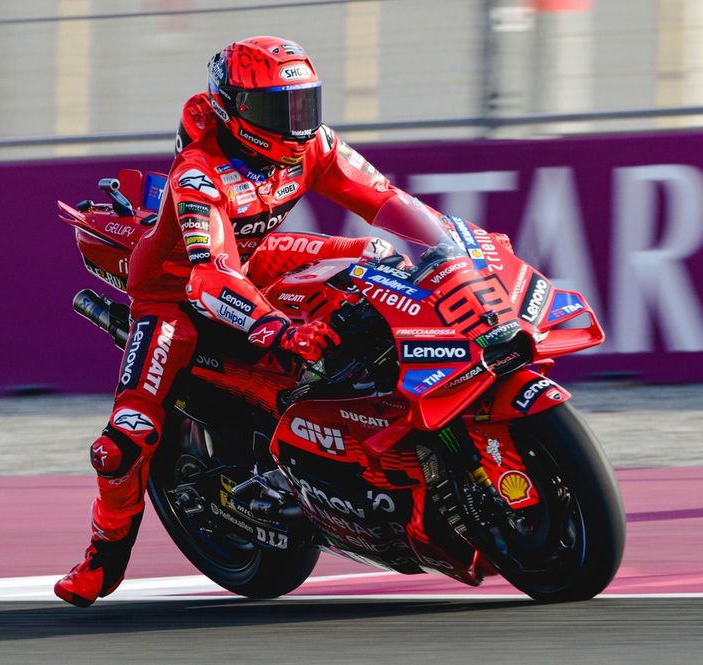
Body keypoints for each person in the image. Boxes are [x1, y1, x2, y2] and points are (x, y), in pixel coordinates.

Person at [54, 35, 451, 607]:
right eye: (277, 109)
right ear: (233, 108)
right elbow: (210, 279)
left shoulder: (313, 145)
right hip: (175, 294)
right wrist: (282, 329)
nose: (295, 124)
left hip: (257, 255)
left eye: (304, 104)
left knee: (378, 259)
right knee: (124, 441)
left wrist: (449, 243)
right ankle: (103, 557)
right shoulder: (200, 174)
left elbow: (385, 200)